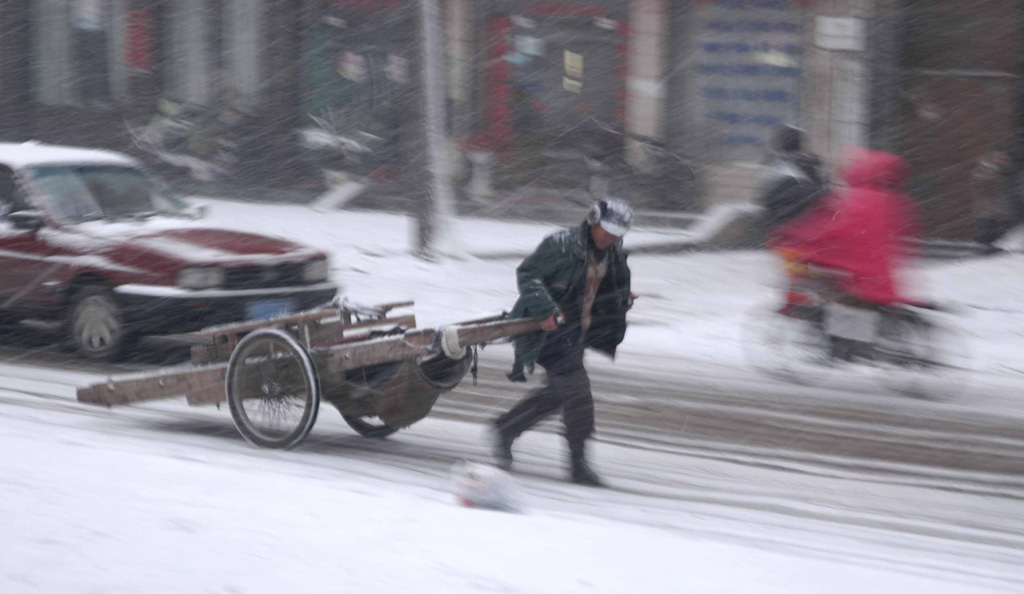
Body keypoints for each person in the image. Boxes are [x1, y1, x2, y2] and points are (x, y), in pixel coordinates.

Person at [491, 198, 635, 487]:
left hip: (575, 331)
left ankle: (506, 428)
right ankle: (578, 465)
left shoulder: (612, 252)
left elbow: (604, 285)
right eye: (606, 230)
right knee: (578, 396)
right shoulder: (562, 244)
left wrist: (620, 301)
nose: (610, 237)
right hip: (548, 329)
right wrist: (546, 310)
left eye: (617, 233)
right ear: (593, 221)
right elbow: (528, 274)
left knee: (558, 393)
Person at [755, 125, 828, 234]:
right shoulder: (809, 167)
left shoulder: (775, 167)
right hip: (808, 231)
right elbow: (822, 198)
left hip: (781, 234)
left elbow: (764, 202)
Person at [972, 148, 1017, 254]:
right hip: (988, 212)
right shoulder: (984, 171)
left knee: (1000, 236)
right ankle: (986, 252)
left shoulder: (1006, 172)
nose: (1005, 162)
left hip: (1000, 212)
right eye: (1001, 159)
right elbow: (986, 184)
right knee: (988, 235)